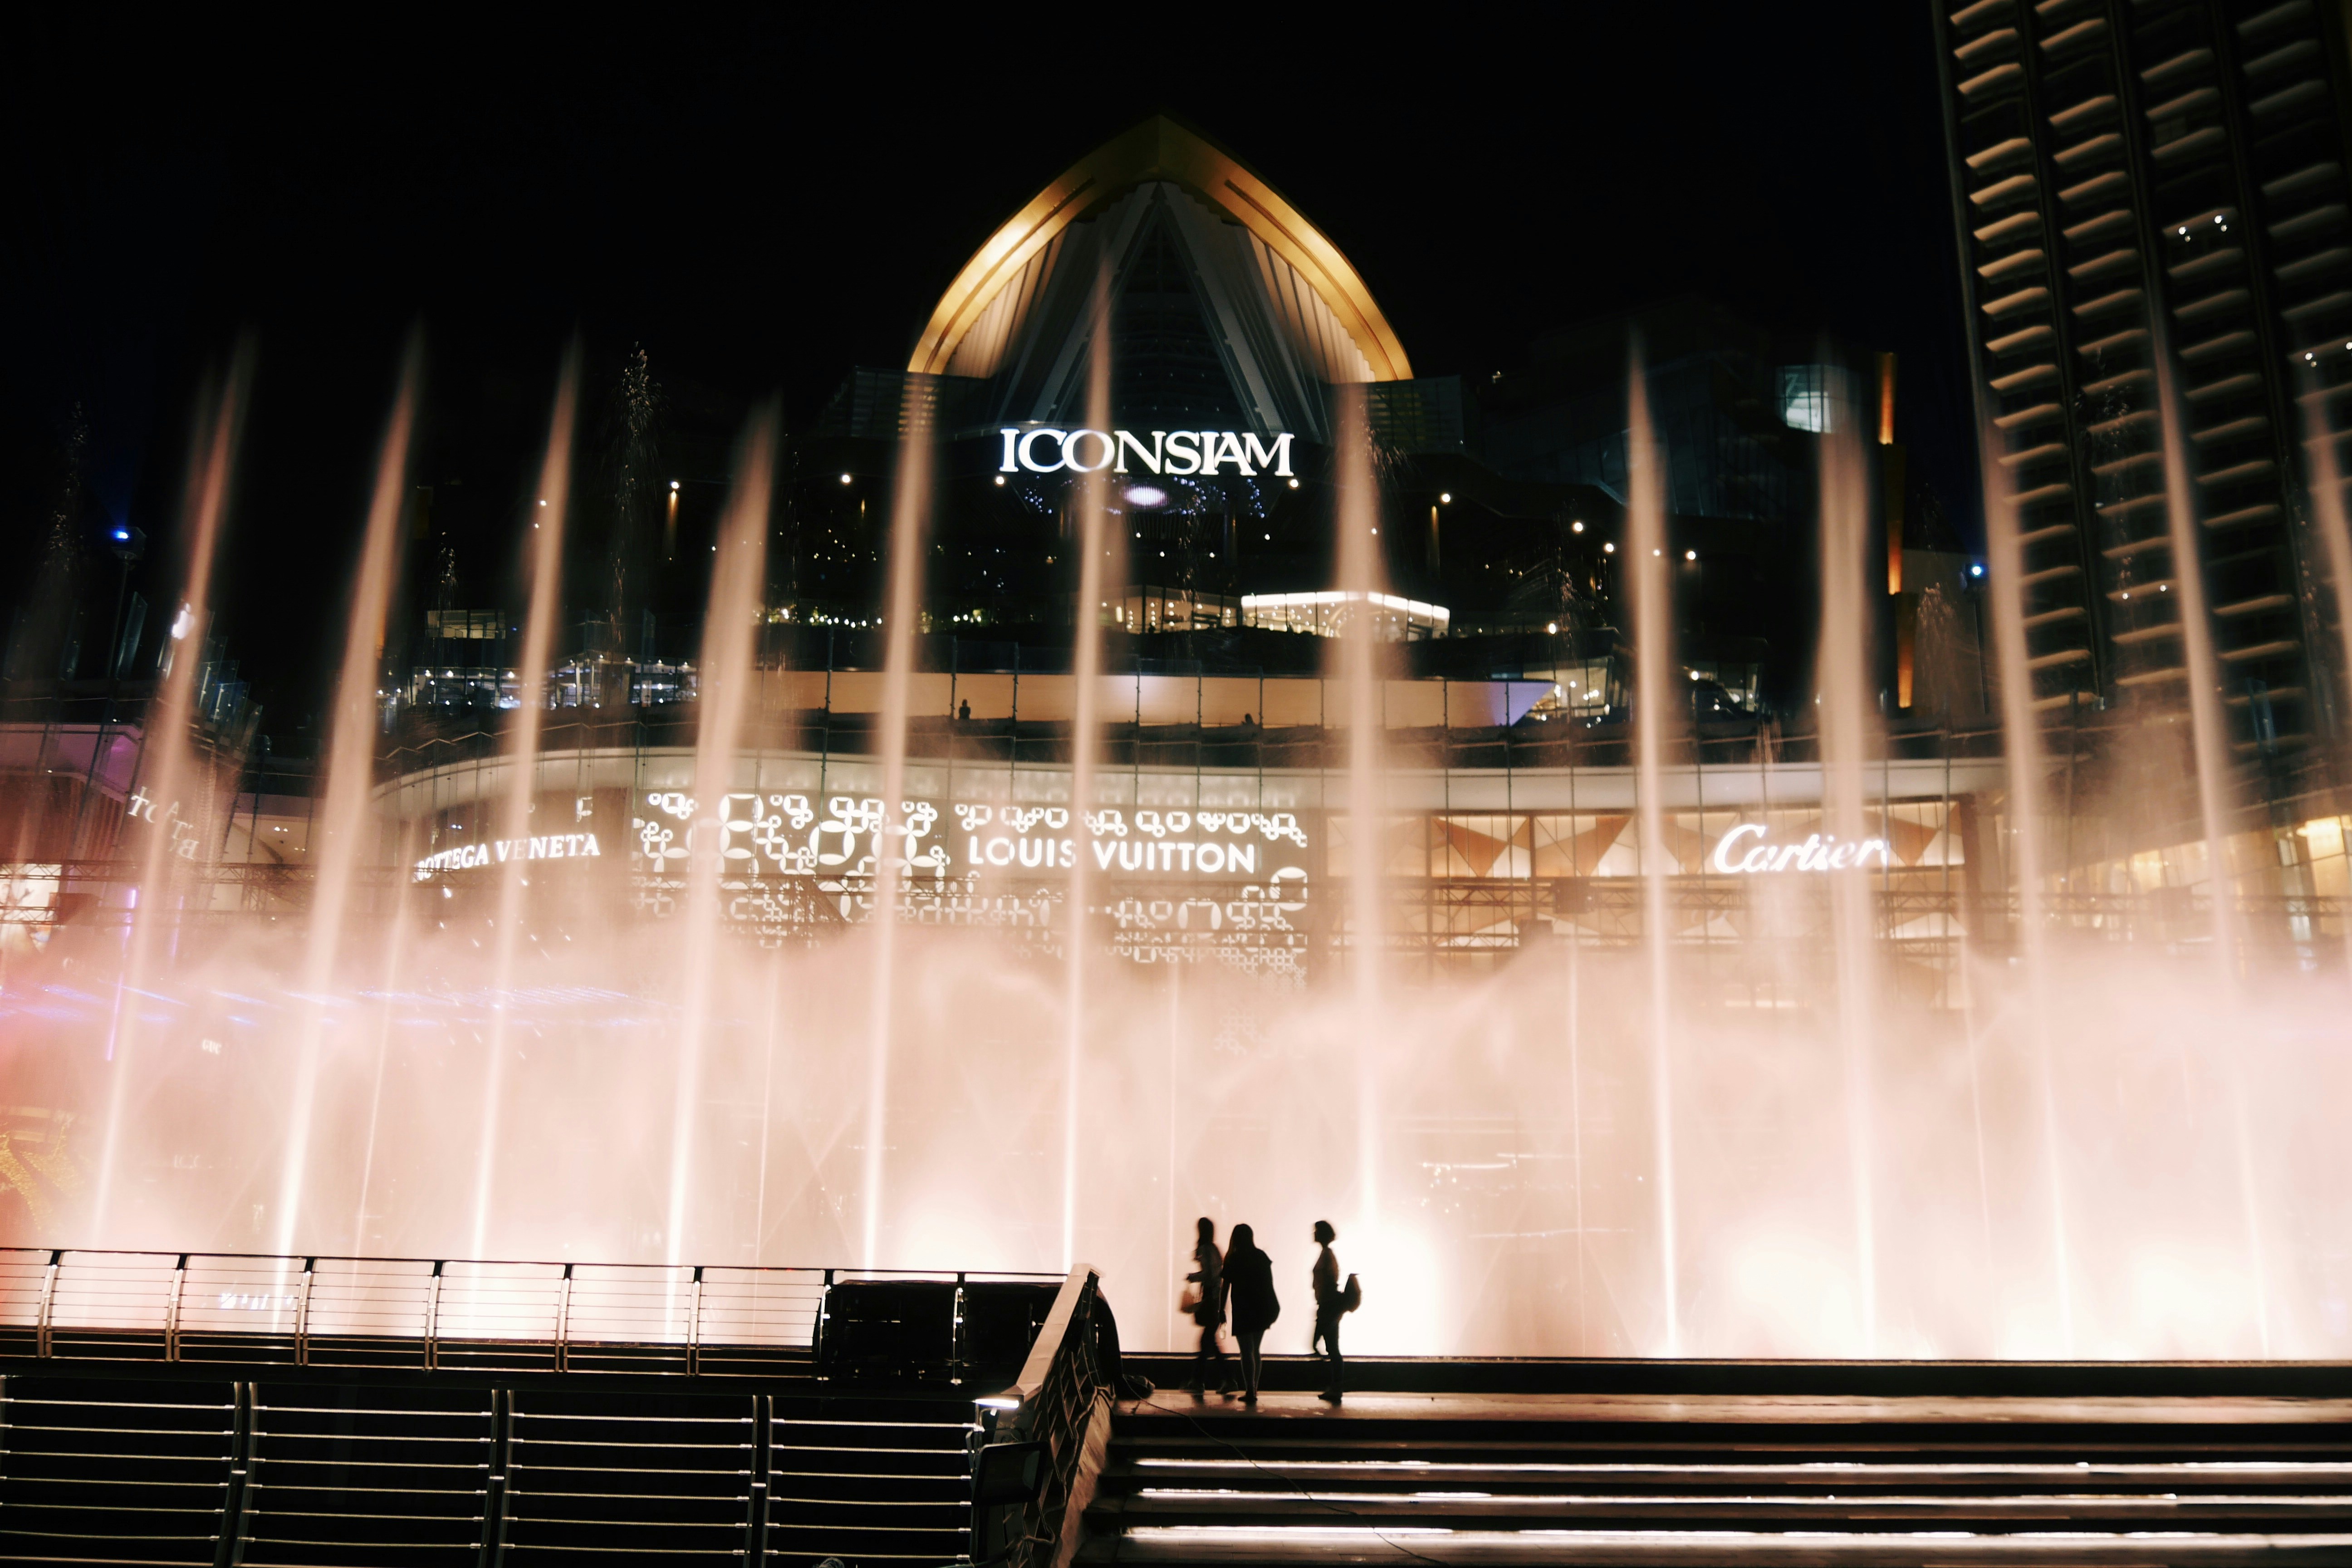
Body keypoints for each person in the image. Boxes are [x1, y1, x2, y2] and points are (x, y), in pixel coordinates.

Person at [1220, 1223, 1278, 1403]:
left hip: (1243, 1308)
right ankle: (1255, 1389)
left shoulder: (1233, 1259)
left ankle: (1250, 1390)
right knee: (1256, 1350)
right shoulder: (1261, 1256)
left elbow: (1225, 1287)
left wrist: (1221, 1309)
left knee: (1246, 1351)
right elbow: (1269, 1284)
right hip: (1260, 1308)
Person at [1182, 1217, 1232, 1396]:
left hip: (1211, 1301)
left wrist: (1193, 1277)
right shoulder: (1215, 1249)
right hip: (1217, 1300)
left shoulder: (1205, 1249)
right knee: (1208, 1342)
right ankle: (1204, 1381)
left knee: (1207, 1342)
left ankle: (1214, 1380)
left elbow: (1210, 1275)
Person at [1310, 1220, 1344, 1402]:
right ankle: (1335, 1386)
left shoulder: (1327, 1255)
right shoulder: (1327, 1254)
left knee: (1331, 1347)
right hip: (1328, 1305)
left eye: (1316, 1231)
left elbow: (1329, 1280)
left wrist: (1325, 1304)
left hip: (1328, 1306)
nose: (1313, 1233)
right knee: (1331, 1347)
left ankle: (1336, 1386)